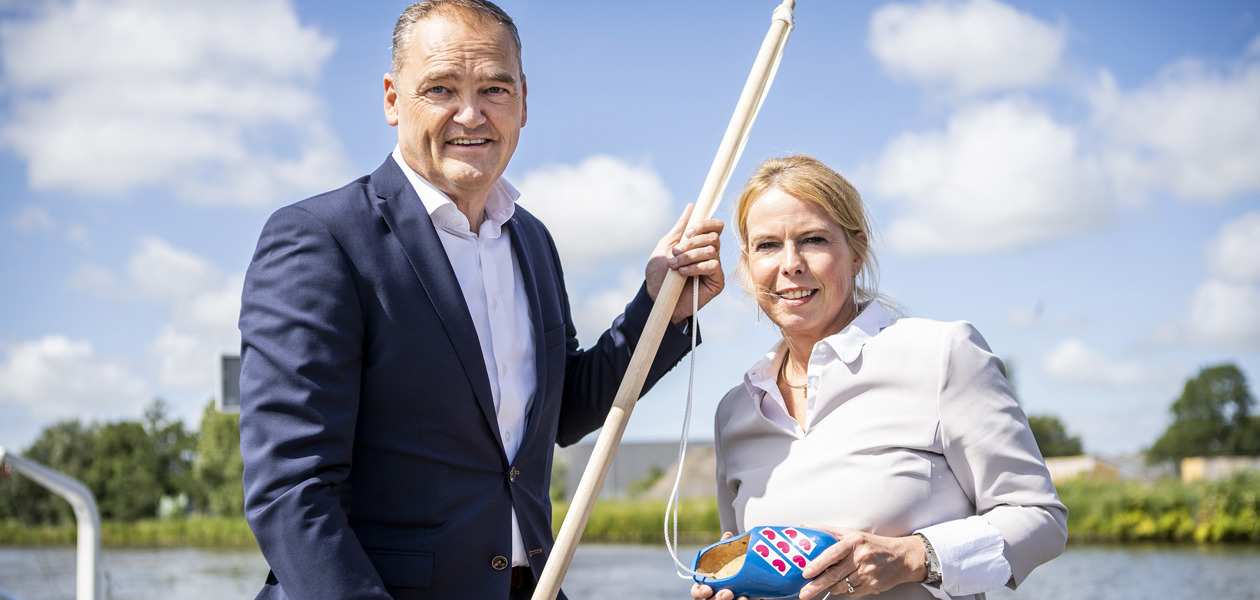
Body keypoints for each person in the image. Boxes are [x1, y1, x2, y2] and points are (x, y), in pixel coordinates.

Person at [237, 1, 724, 599]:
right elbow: (291, 490)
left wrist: (660, 307)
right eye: (441, 88)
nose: (471, 114)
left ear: (523, 100)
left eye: (494, 88)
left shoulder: (533, 240)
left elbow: (562, 411)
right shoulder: (321, 238)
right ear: (393, 99)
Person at [692, 155, 1066, 600]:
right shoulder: (734, 412)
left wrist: (913, 557)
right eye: (768, 245)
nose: (790, 264)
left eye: (813, 239)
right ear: (748, 266)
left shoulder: (942, 355)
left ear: (857, 252)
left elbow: (1040, 519)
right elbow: (744, 563)